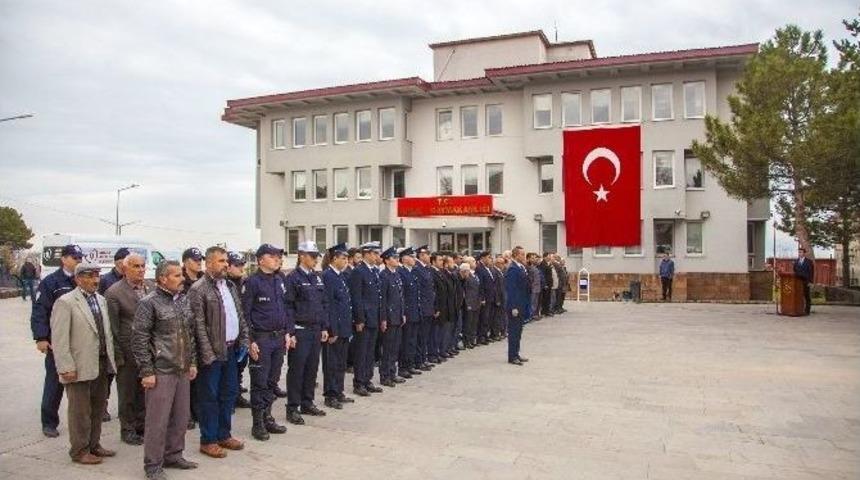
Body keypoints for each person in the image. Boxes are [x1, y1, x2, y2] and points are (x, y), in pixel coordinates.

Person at [132, 260, 199, 479]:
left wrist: (192, 362)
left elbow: (190, 334)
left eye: (181, 275)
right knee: (157, 421)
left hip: (181, 369)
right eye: (177, 276)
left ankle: (174, 454)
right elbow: (139, 339)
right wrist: (147, 371)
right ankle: (153, 464)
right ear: (162, 278)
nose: (182, 279)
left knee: (181, 417)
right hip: (161, 370)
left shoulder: (183, 300)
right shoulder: (149, 303)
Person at [50, 261, 117, 464]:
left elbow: (106, 333)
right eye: (89, 276)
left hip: (101, 364)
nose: (94, 280)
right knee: (80, 412)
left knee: (97, 408)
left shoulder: (100, 300)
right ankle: (79, 450)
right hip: (78, 366)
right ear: (78, 279)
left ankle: (94, 445)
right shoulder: (66, 302)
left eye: (97, 276)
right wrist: (65, 367)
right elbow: (59, 339)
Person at [188, 246, 249, 459]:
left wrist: (244, 340)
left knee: (228, 393)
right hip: (212, 353)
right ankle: (209, 439)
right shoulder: (198, 289)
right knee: (209, 397)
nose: (225, 264)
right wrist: (207, 354)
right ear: (209, 263)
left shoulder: (230, 285)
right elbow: (198, 325)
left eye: (226, 261)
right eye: (221, 261)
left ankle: (224, 434)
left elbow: (239, 315)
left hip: (231, 350)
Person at [31, 244, 82, 438]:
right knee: (55, 382)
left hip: (80, 341)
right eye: (75, 258)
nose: (78, 261)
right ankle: (49, 422)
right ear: (64, 259)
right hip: (58, 341)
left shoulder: (82, 280)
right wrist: (41, 337)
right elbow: (40, 310)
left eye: (80, 258)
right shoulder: (52, 282)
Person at [241, 244, 290, 441]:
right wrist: (250, 340)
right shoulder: (252, 282)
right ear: (261, 260)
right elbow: (244, 314)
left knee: (272, 380)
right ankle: (258, 423)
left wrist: (287, 332)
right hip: (261, 338)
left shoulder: (279, 280)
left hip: (278, 338)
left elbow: (284, 309)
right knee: (259, 382)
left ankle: (268, 417)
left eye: (279, 256)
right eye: (273, 256)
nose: (278, 259)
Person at [105, 253, 153, 446]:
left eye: (142, 266)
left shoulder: (151, 287)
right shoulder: (114, 293)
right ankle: (128, 429)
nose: (141, 270)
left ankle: (142, 425)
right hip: (127, 350)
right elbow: (113, 329)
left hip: (149, 350)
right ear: (125, 269)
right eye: (136, 266)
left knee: (144, 391)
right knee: (128, 393)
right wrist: (118, 356)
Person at [284, 241, 329, 425]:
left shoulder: (316, 277)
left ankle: (307, 402)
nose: (316, 259)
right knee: (297, 370)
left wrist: (324, 327)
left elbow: (323, 304)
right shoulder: (293, 278)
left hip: (316, 329)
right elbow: (288, 307)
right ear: (302, 256)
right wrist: (291, 332)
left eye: (317, 255)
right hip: (300, 331)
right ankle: (293, 407)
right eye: (312, 256)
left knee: (311, 369)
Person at [349, 242, 384, 397]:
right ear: (367, 254)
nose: (377, 257)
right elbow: (357, 298)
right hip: (364, 319)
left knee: (370, 352)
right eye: (375, 254)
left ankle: (367, 380)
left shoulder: (374, 271)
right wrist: (359, 319)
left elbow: (378, 297)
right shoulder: (359, 272)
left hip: (374, 318)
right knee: (361, 352)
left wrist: (381, 317)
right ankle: (359, 382)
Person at [322, 243, 354, 410]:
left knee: (341, 362)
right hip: (335, 328)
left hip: (344, 327)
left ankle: (339, 391)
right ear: (334, 259)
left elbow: (345, 304)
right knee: (331, 363)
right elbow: (329, 306)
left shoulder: (341, 276)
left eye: (347, 258)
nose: (346, 261)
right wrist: (331, 329)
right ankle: (330, 394)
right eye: (343, 258)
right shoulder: (328, 276)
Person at [181, 247, 204, 429]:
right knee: (188, 375)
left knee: (200, 376)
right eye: (195, 260)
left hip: (202, 332)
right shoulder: (180, 281)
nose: (199, 262)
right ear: (186, 261)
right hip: (186, 333)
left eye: (200, 259)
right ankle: (186, 413)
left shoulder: (204, 280)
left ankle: (197, 410)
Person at [226, 252, 251, 410]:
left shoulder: (245, 282)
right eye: (237, 265)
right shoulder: (225, 284)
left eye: (242, 265)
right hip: (230, 332)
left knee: (241, 365)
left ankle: (236, 394)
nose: (241, 268)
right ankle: (230, 396)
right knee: (230, 369)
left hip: (243, 330)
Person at [378, 247, 406, 387]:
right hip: (389, 317)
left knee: (395, 347)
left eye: (397, 257)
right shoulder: (384, 276)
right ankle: (385, 375)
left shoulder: (396, 275)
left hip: (397, 316)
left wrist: (402, 314)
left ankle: (392, 373)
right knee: (387, 348)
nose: (397, 260)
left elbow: (400, 298)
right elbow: (382, 300)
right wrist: (383, 318)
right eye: (394, 258)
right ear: (387, 260)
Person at [396, 247, 422, 378]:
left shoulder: (412, 272)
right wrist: (403, 313)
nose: (414, 259)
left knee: (412, 340)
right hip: (407, 312)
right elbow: (402, 296)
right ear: (405, 258)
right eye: (411, 257)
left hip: (415, 312)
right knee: (405, 341)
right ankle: (403, 367)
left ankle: (410, 365)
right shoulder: (401, 272)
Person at [505, 247, 531, 366]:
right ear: (516, 255)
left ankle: (516, 353)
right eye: (522, 254)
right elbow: (511, 290)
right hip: (515, 306)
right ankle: (512, 356)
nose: (524, 256)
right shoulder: (512, 269)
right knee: (514, 331)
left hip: (522, 303)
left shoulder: (521, 267)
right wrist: (513, 306)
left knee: (518, 331)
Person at [475, 251, 496, 346]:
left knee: (488, 318)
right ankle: (481, 337)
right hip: (485, 298)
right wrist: (482, 297)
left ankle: (485, 335)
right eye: (488, 257)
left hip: (491, 297)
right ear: (483, 258)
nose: (490, 259)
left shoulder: (488, 269)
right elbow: (481, 285)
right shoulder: (480, 269)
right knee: (483, 318)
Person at [461, 263, 481, 348]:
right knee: (468, 323)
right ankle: (467, 341)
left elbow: (477, 289)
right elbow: (465, 291)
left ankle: (472, 339)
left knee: (474, 322)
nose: (475, 263)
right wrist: (467, 303)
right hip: (469, 303)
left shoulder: (475, 275)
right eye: (472, 261)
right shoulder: (467, 278)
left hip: (476, 302)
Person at [793, 247, 815, 315]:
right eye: (799, 252)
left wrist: (810, 282)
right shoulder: (796, 262)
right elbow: (794, 271)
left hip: (806, 281)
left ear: (804, 253)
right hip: (798, 282)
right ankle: (799, 309)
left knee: (806, 296)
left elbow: (811, 272)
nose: (800, 254)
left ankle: (807, 311)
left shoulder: (809, 262)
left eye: (801, 252)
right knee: (798, 296)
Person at [493, 256, 507, 339]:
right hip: (499, 298)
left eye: (504, 263)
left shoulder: (501, 272)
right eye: (502, 263)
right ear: (497, 264)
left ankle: (503, 331)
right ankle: (496, 333)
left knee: (503, 315)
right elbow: (495, 287)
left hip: (504, 297)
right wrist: (497, 299)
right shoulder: (495, 272)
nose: (503, 265)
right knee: (497, 317)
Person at [526, 253, 542, 322]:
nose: (534, 259)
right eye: (532, 258)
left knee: (535, 303)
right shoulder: (528, 267)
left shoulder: (535, 266)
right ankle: (530, 316)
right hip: (533, 288)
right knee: (532, 303)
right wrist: (531, 286)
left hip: (537, 288)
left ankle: (533, 315)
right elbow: (530, 278)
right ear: (528, 259)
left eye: (534, 258)